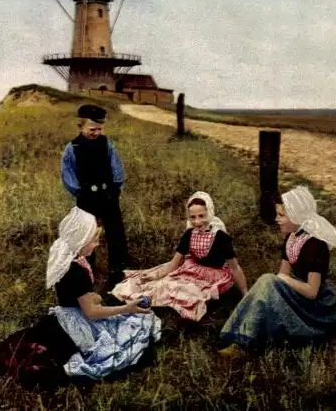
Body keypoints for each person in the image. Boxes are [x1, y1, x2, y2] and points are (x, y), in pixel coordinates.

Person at [218, 185, 336, 357]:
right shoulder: (292, 238)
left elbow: (312, 291)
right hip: (300, 293)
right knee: (267, 283)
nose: (277, 219)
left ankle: (243, 342)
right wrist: (279, 282)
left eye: (281, 215)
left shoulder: (315, 245)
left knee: (268, 281)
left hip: (318, 307)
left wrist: (282, 281)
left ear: (297, 216)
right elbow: (282, 274)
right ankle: (238, 334)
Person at [47, 206, 161, 379]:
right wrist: (126, 308)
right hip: (78, 321)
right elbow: (91, 313)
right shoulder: (76, 272)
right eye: (94, 239)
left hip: (66, 311)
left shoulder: (66, 256)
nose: (98, 244)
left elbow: (73, 294)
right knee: (129, 333)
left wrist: (93, 297)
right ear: (80, 239)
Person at [111, 191, 248, 321]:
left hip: (214, 275)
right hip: (192, 269)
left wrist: (245, 293)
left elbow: (234, 267)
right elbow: (173, 264)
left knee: (187, 293)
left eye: (201, 216)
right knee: (162, 285)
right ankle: (149, 303)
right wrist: (157, 275)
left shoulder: (221, 237)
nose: (197, 222)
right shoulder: (190, 234)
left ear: (209, 213)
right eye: (192, 217)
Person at [61, 104, 127, 287]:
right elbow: (68, 174)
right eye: (92, 129)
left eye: (99, 129)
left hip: (108, 197)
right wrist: (80, 193)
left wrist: (115, 188)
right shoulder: (72, 148)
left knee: (116, 233)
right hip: (87, 200)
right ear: (80, 126)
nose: (96, 132)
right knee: (88, 235)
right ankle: (86, 269)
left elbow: (116, 168)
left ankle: (117, 270)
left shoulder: (107, 144)